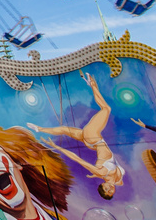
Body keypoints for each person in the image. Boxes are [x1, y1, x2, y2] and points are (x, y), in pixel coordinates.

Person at [28, 71, 126, 199]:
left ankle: (92, 85)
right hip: (93, 142)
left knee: (106, 109)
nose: (110, 188)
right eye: (109, 191)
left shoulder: (100, 172)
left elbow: (77, 159)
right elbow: (119, 179)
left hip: (93, 139)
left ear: (102, 184)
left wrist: (57, 148)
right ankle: (40, 128)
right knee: (65, 129)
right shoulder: (118, 181)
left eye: (106, 189)